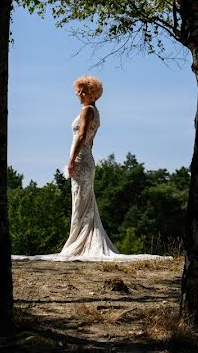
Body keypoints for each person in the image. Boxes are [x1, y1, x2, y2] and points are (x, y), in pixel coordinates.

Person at [12, 76, 165, 262]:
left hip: (81, 160)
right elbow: (92, 140)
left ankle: (79, 244)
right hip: (87, 160)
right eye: (78, 91)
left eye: (83, 91)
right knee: (84, 203)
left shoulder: (86, 110)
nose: (79, 95)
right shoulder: (96, 112)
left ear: (92, 93)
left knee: (80, 203)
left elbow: (83, 135)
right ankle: (81, 242)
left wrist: (71, 159)